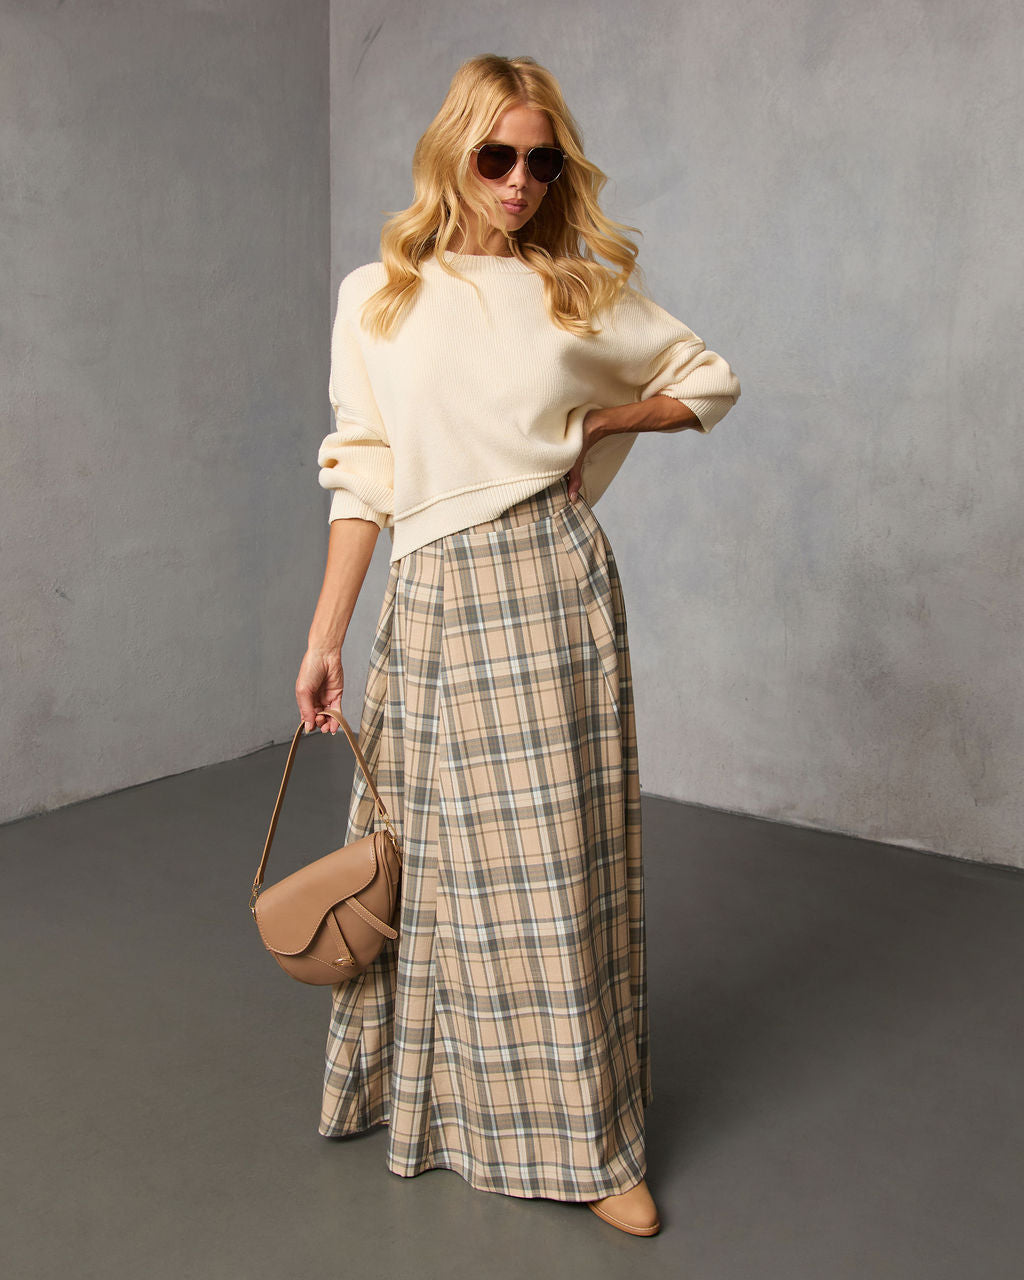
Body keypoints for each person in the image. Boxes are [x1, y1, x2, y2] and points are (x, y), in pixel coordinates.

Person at [294, 53, 740, 1238]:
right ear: (452, 151)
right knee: (425, 860)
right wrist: (326, 635)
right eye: (497, 155)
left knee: (552, 867)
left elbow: (706, 379)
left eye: (542, 162)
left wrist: (601, 418)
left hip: (549, 581)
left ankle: (587, 1140)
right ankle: (421, 1098)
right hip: (431, 595)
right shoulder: (376, 296)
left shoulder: (571, 290)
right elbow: (363, 474)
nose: (519, 181)